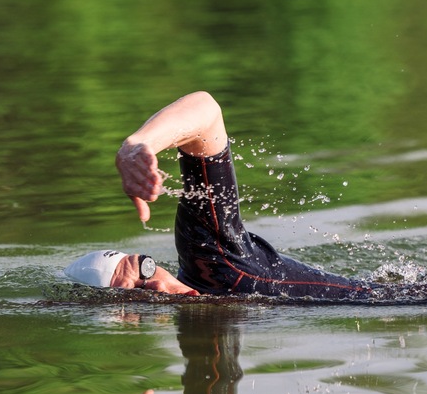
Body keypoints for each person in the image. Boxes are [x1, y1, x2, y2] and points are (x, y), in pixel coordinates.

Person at [65, 91, 371, 299]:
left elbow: (206, 111)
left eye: (145, 265)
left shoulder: (211, 263)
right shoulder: (201, 319)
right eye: (137, 289)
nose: (155, 282)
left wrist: (136, 145)